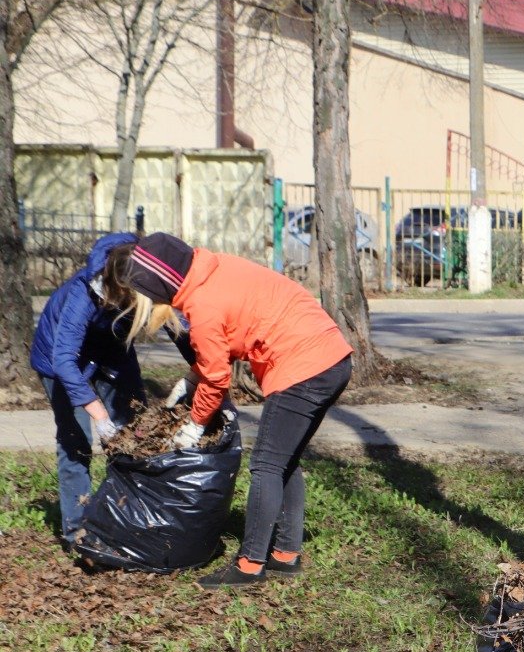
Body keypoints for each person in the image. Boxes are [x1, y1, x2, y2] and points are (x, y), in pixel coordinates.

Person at [103, 233, 353, 590]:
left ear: (156, 285)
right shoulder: (214, 268)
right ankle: (285, 556)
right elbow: (230, 334)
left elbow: (218, 380)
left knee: (266, 464)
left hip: (304, 366)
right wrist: (190, 381)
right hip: (331, 358)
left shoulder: (201, 306)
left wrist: (194, 424)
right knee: (287, 459)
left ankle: (250, 565)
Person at [30, 232, 188, 545]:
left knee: (136, 429)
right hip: (59, 358)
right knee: (76, 442)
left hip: (113, 354)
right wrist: (99, 414)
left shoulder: (144, 269)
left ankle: (131, 516)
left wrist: (204, 369)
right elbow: (64, 361)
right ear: (116, 290)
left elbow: (175, 324)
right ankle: (79, 533)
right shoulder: (83, 295)